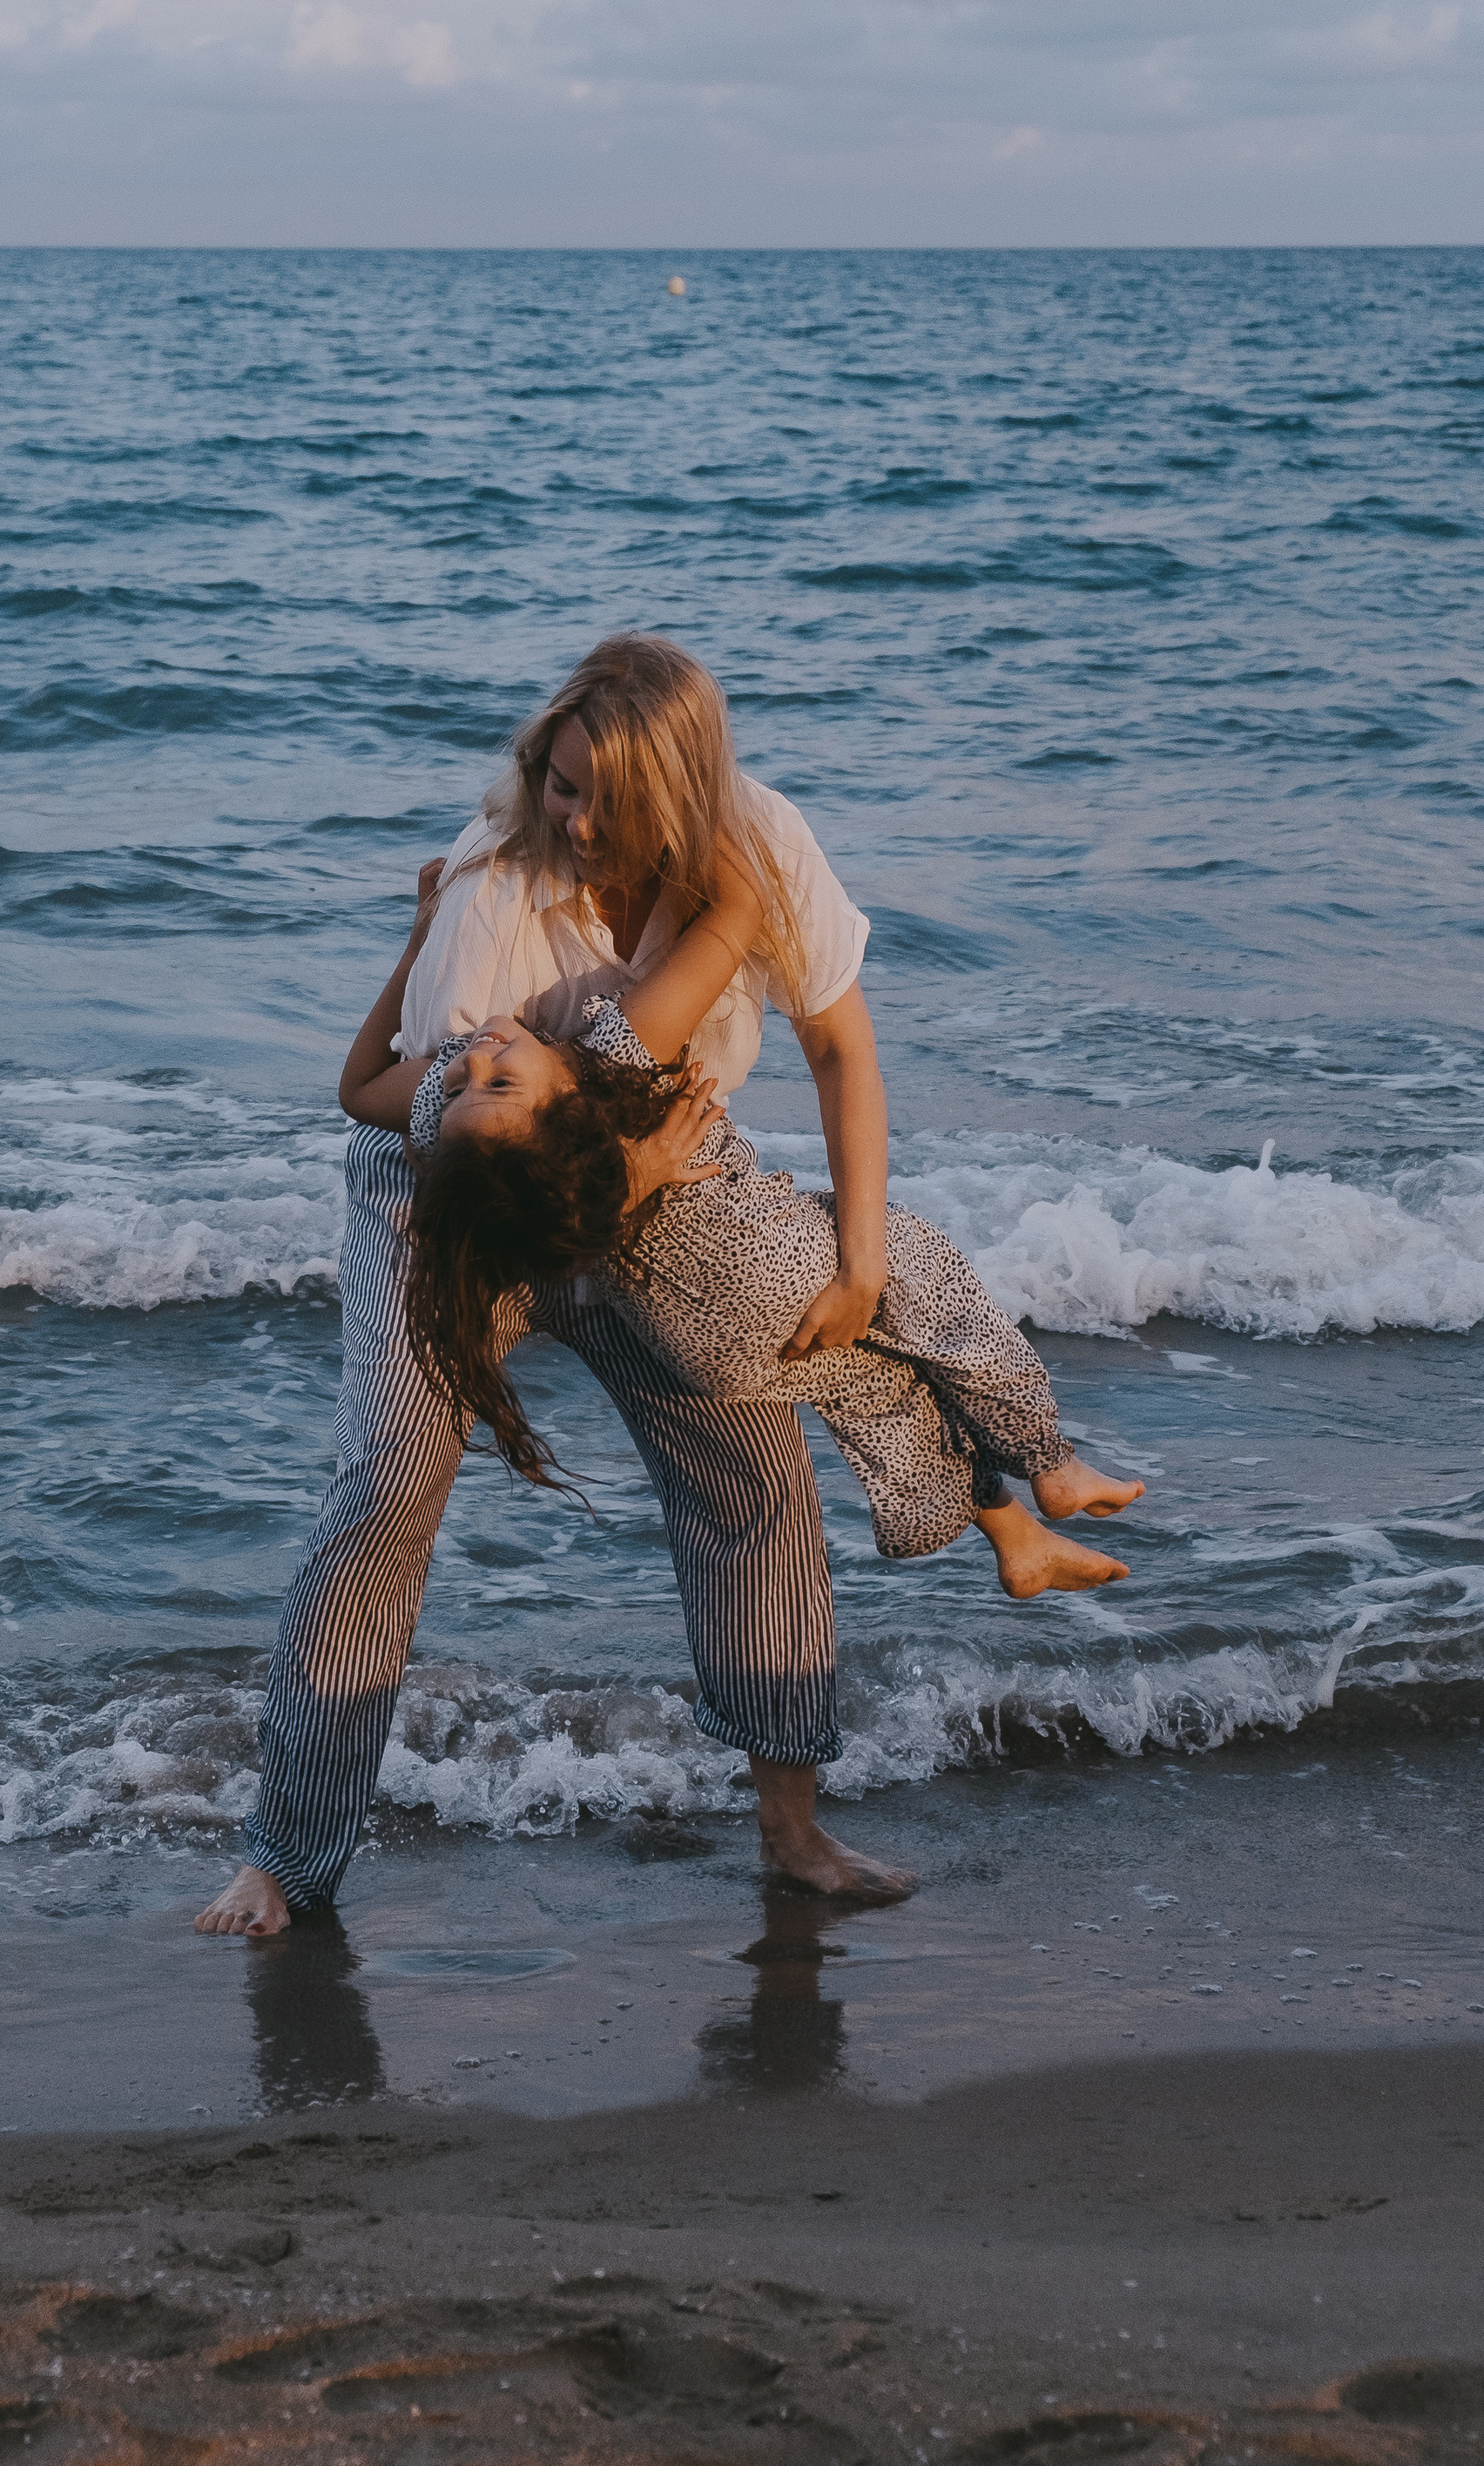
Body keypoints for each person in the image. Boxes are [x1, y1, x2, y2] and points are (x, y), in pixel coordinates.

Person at [198, 634, 917, 1940]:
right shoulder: (493, 881)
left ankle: (793, 1832)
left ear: (682, 799)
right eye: (561, 783)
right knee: (389, 1483)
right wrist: (624, 1171)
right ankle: (285, 1859)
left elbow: (839, 1048)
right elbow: (447, 1128)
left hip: (652, 1177)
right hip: (455, 1185)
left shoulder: (760, 848)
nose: (576, 822)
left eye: (608, 800)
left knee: (751, 1466)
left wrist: (861, 1262)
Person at [401, 995, 1142, 1581]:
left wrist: (417, 953)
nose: (474, 1058)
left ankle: (1015, 1537)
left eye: (469, 1077)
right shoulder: (613, 1053)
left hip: (703, 1351)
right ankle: (1052, 1463)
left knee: (883, 1388)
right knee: (935, 1294)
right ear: (561, 1113)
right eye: (494, 1079)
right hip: (770, 1271)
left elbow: (358, 1090)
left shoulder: (463, 1135)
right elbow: (722, 923)